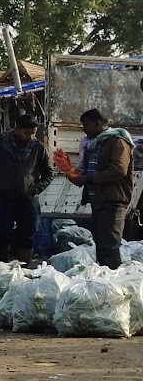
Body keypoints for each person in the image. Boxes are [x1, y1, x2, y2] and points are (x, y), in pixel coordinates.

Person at [0, 114, 54, 263]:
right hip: (3, 198)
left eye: (33, 133)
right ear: (17, 129)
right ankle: (3, 265)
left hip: (28, 199)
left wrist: (36, 188)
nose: (30, 137)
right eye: (27, 133)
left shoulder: (38, 147)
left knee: (28, 234)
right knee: (0, 233)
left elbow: (48, 173)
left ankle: (24, 269)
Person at [70, 108, 135, 270]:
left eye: (86, 125)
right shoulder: (96, 143)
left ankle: (114, 283)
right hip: (98, 200)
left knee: (110, 245)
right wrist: (76, 176)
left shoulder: (117, 141)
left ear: (98, 123)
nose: (84, 129)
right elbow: (91, 169)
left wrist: (89, 178)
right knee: (101, 244)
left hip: (113, 201)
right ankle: (106, 279)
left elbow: (119, 170)